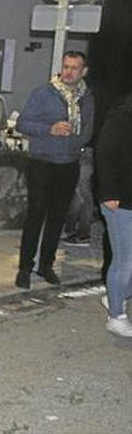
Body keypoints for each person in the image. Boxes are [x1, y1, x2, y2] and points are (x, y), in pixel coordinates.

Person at [14, 51, 94, 289]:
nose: (68, 72)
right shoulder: (44, 93)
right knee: (36, 215)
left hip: (68, 164)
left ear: (83, 72)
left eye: (74, 68)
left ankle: (46, 265)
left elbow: (89, 130)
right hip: (42, 163)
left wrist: (75, 140)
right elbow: (22, 123)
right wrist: (50, 129)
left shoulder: (87, 98)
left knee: (58, 217)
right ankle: (24, 268)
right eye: (66, 67)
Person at [96, 94, 132, 337]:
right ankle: (116, 316)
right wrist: (109, 193)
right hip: (120, 202)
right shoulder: (121, 116)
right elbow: (104, 155)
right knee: (125, 259)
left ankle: (115, 295)